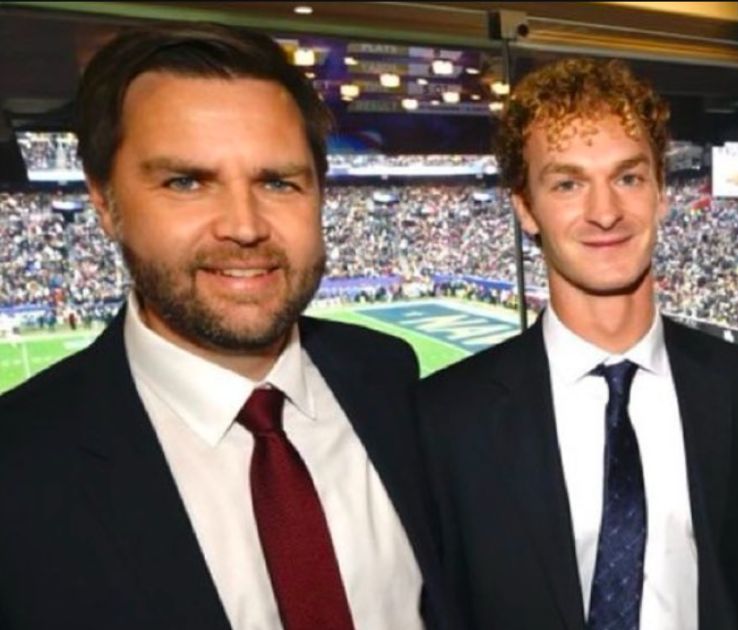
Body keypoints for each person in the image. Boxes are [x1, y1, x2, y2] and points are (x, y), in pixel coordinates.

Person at [0, 23, 454, 630]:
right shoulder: (21, 466)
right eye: (186, 182)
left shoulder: (387, 375)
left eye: (277, 182)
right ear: (105, 203)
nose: (244, 226)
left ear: (320, 193)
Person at [417, 58, 738, 630]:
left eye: (628, 177)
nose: (605, 212)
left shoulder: (737, 385)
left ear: (661, 191)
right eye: (567, 183)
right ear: (525, 208)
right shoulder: (448, 416)